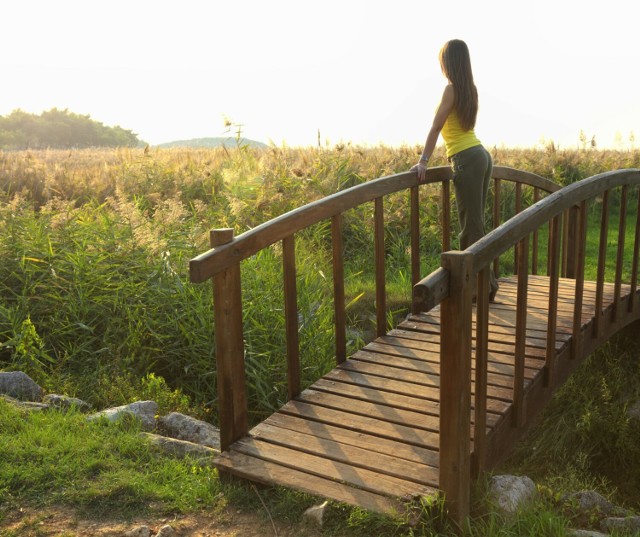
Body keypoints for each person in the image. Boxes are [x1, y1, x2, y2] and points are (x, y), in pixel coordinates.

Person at [411, 38, 498, 301]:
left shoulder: (451, 89)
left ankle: (480, 288)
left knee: (471, 229)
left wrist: (424, 160)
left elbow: (437, 127)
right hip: (480, 155)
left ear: (448, 63)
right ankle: (486, 285)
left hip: (467, 159)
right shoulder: (470, 88)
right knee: (476, 226)